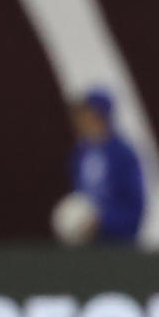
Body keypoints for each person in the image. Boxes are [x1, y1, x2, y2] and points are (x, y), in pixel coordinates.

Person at [64, 89, 145, 244]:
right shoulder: (80, 154)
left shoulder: (123, 155)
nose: (80, 119)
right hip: (86, 245)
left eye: (86, 113)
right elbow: (79, 197)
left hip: (117, 247)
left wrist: (103, 221)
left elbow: (135, 209)